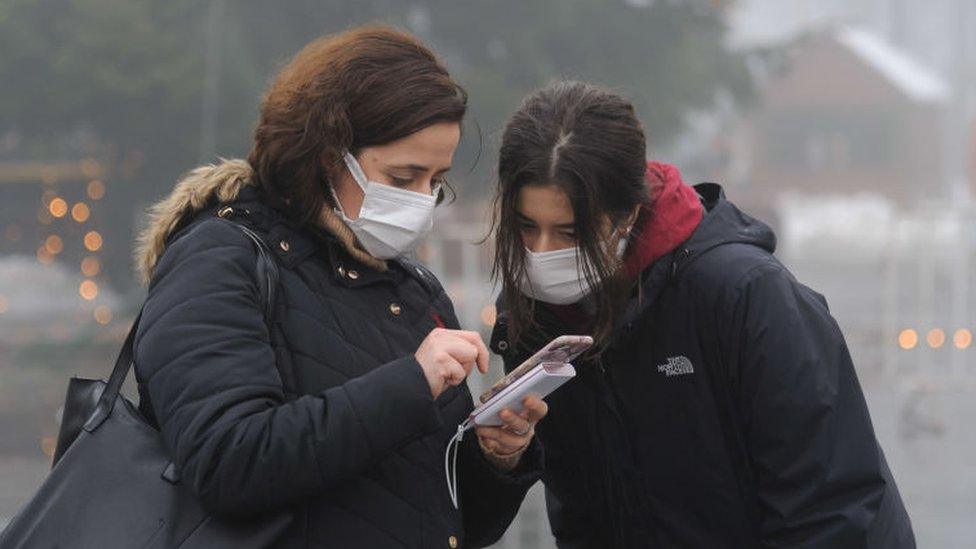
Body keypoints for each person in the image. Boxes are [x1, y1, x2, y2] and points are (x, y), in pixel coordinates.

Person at [132, 25, 546, 548]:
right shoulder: (219, 258)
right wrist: (410, 383)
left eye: (435, 181)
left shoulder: (410, 287)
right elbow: (227, 465)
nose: (422, 201)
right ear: (327, 157)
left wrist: (495, 454)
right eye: (402, 178)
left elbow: (454, 523)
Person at [487, 80, 915, 548]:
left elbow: (832, 506)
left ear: (628, 214)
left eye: (570, 233)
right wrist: (503, 457)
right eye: (527, 227)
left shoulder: (745, 294)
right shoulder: (534, 317)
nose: (541, 252)